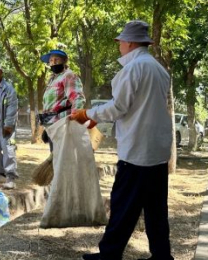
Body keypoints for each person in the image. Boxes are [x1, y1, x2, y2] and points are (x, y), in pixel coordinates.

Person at [71, 20, 174, 260]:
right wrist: (97, 118)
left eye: (120, 42)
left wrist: (88, 114)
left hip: (136, 151)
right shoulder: (159, 69)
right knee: (156, 210)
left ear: (128, 42)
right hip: (157, 152)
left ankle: (109, 255)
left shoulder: (133, 68)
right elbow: (139, 107)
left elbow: (119, 106)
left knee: (123, 206)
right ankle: (162, 256)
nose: (119, 46)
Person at [39, 49, 86, 151]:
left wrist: (72, 123)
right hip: (52, 125)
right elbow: (50, 105)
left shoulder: (68, 76)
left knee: (63, 161)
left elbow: (78, 99)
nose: (53, 63)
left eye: (57, 59)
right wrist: (46, 128)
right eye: (51, 60)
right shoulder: (52, 79)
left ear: (64, 61)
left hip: (63, 125)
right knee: (56, 159)